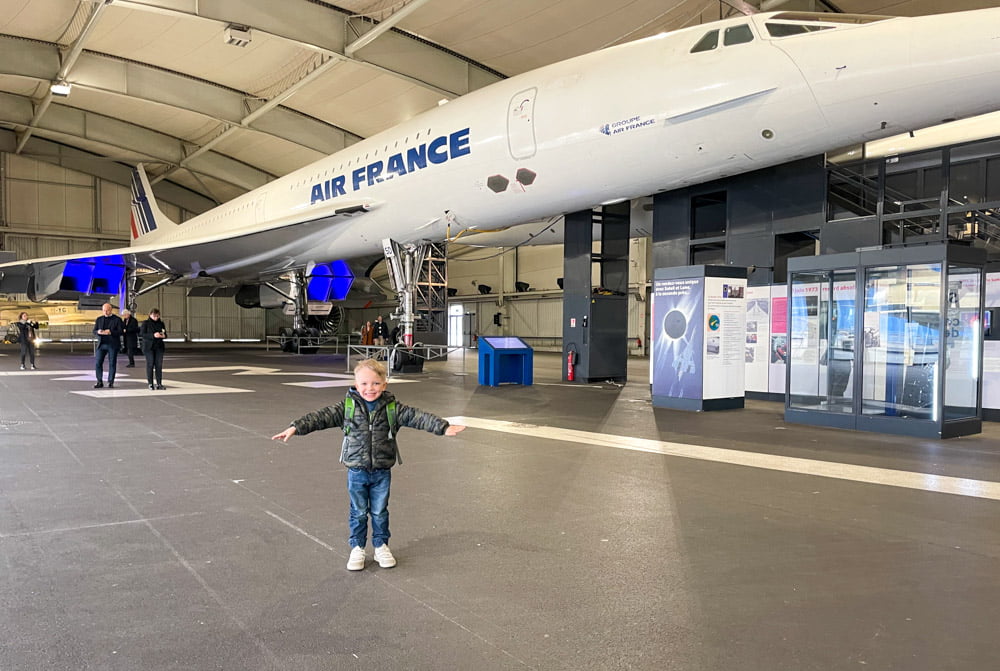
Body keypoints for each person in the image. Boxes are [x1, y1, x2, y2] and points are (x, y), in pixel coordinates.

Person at [271, 358, 465, 571]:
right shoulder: (347, 408)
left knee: (380, 511)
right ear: (355, 384)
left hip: (382, 471)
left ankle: (381, 546)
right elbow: (320, 417)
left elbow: (417, 417)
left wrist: (442, 427)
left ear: (384, 384)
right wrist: (296, 427)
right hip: (356, 471)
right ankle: (357, 547)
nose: (369, 388)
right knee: (358, 511)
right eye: (363, 383)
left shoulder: (393, 408)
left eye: (375, 383)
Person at [93, 303, 123, 388]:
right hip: (101, 344)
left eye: (107, 310)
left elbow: (120, 332)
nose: (105, 312)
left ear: (111, 310)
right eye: (104, 310)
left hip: (112, 344)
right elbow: (94, 330)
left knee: (112, 363)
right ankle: (99, 381)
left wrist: (111, 332)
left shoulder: (117, 320)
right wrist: (98, 332)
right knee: (98, 363)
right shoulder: (99, 319)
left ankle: (110, 381)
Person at [140, 308, 168, 390]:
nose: (156, 317)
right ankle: (150, 383)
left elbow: (165, 333)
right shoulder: (146, 323)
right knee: (150, 364)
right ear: (150, 315)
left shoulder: (161, 323)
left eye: (157, 316)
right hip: (149, 347)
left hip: (159, 347)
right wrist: (153, 335)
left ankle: (159, 383)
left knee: (159, 365)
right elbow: (142, 334)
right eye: (154, 316)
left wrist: (163, 336)